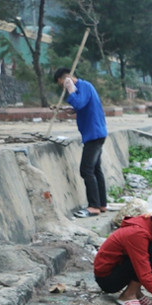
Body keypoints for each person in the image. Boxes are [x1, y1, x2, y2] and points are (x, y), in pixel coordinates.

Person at [54, 67, 108, 219]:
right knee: (96, 169)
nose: (63, 87)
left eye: (62, 83)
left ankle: (94, 206)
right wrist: (72, 109)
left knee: (86, 170)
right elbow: (81, 106)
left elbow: (79, 103)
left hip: (94, 134)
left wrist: (71, 90)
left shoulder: (83, 86)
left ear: (65, 79)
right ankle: (102, 203)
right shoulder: (83, 88)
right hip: (96, 133)